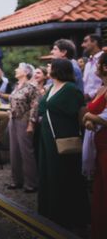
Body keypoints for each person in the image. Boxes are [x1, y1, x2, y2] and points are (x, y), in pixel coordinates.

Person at [37, 58, 89, 231]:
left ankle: (67, 214)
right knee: (48, 171)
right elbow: (44, 108)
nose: (47, 67)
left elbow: (79, 115)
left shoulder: (71, 89)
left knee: (63, 172)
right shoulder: (51, 87)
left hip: (63, 136)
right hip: (47, 137)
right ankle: (50, 210)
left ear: (58, 69)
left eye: (50, 65)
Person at [3, 63, 39, 193]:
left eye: (18, 68)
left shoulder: (31, 87)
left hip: (24, 121)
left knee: (26, 152)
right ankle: (16, 180)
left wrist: (31, 124)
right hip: (13, 120)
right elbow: (12, 102)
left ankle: (31, 183)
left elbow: (35, 106)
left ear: (25, 72)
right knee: (14, 151)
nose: (15, 70)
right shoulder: (16, 86)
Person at [82, 52, 107, 239]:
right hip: (98, 143)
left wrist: (90, 117)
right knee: (100, 190)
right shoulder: (102, 88)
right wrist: (91, 121)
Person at [82, 34, 104, 102]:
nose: (82, 45)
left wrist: (90, 95)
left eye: (85, 41)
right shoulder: (88, 63)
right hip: (89, 103)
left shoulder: (104, 59)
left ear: (95, 42)